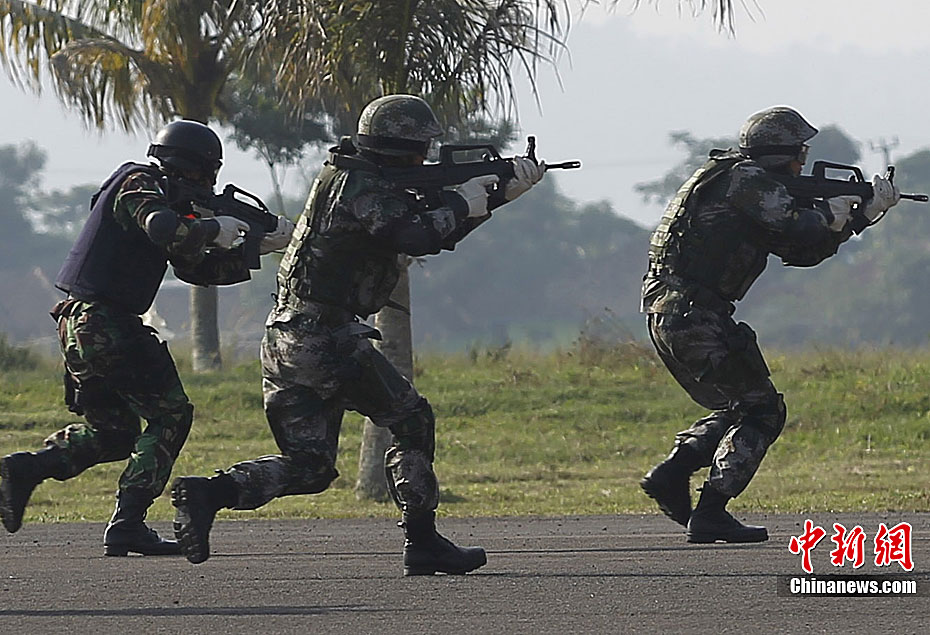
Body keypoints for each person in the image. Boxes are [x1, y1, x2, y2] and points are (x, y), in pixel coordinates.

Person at [170, 94, 546, 575]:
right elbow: (414, 236)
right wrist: (465, 200)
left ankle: (209, 493)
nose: (425, 159)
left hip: (290, 337)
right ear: (398, 148)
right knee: (411, 418)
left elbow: (427, 232)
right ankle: (423, 540)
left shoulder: (346, 178)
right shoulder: (361, 187)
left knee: (311, 467)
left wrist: (490, 199)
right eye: (420, 150)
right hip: (326, 339)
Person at [0, 120, 294, 556]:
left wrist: (255, 248)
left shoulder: (170, 201)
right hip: (104, 322)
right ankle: (127, 525)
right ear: (195, 169)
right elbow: (160, 226)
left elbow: (194, 269)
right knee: (171, 415)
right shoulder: (140, 183)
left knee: (115, 433)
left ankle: (24, 470)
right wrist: (214, 228)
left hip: (83, 324)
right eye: (205, 175)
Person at [639, 106, 900, 543]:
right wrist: (832, 214)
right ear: (780, 154)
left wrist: (859, 217)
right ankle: (710, 511)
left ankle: (674, 473)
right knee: (763, 411)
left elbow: (802, 251)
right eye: (800, 153)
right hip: (692, 313)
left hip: (680, 312)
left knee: (744, 405)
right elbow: (801, 228)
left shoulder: (735, 183)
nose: (802, 162)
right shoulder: (747, 181)